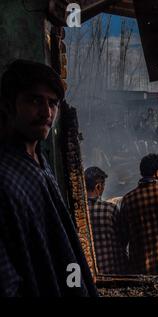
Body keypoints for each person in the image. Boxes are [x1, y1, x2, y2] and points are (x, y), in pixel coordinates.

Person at [0, 59, 97, 296]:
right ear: (8, 104)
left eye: (52, 103)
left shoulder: (41, 162)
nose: (46, 112)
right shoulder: (5, 175)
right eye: (34, 100)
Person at [84, 167, 128, 275]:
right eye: (103, 186)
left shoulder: (78, 212)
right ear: (98, 187)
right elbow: (123, 237)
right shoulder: (110, 209)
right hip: (113, 269)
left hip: (89, 271)